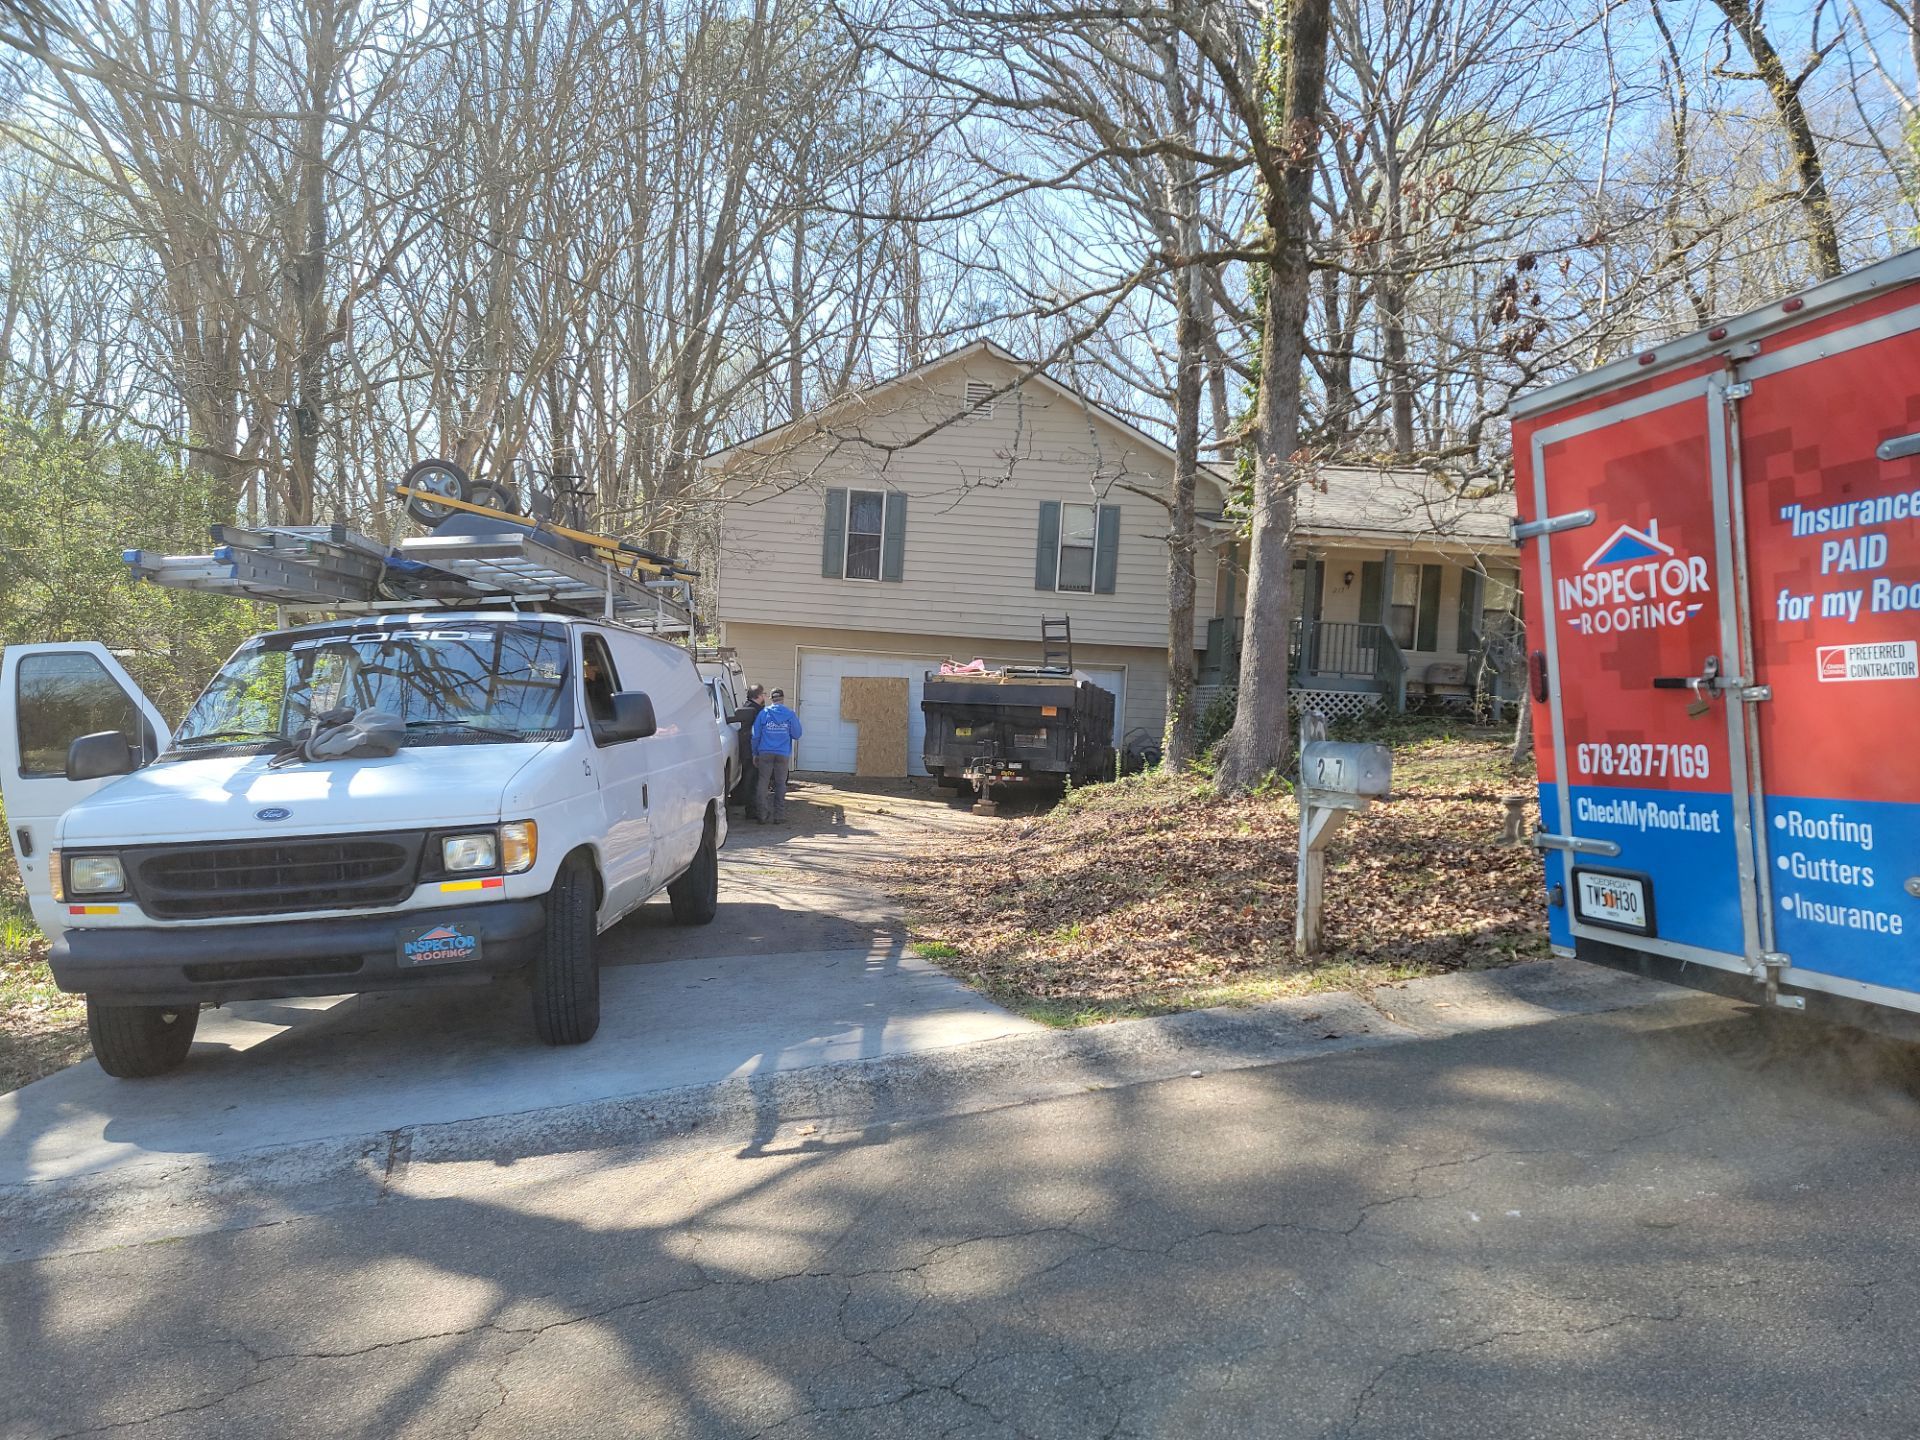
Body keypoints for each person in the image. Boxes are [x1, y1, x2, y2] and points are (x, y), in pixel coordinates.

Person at [750, 688, 803, 823]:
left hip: (765, 753)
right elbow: (797, 734)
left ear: (771, 699)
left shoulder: (764, 713)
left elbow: (755, 736)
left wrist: (755, 753)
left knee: (763, 783)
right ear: (783, 699)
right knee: (780, 784)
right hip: (782, 754)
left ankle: (762, 815)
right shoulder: (790, 714)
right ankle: (779, 816)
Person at [731, 684, 765, 818]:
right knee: (752, 780)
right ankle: (751, 810)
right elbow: (754, 733)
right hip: (750, 750)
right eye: (763, 694)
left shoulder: (750, 707)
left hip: (747, 749)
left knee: (749, 779)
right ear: (758, 696)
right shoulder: (752, 710)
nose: (764, 697)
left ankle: (747, 805)